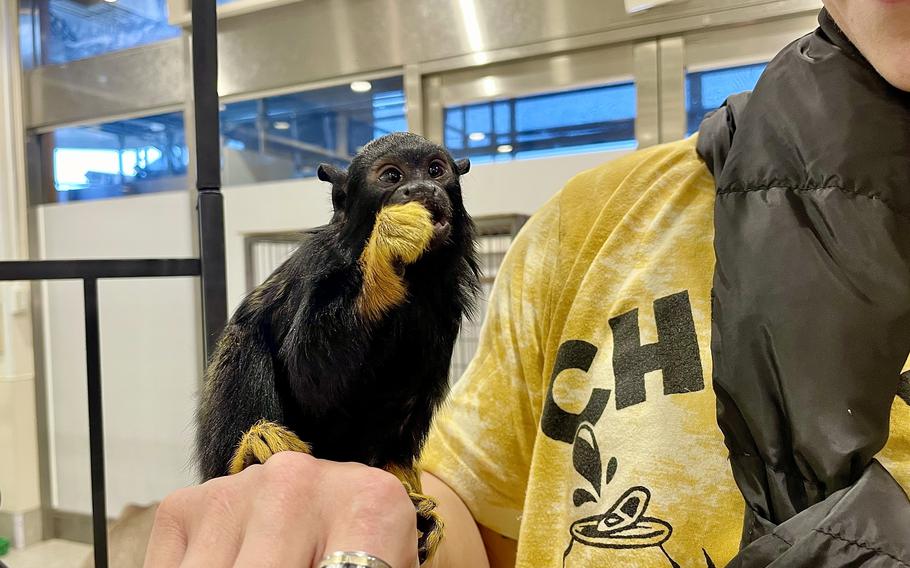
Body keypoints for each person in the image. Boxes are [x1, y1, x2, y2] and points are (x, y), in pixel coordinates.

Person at [144, 3, 910, 567]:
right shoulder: (592, 226)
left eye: (434, 176)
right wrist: (357, 518)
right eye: (393, 181)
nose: (420, 194)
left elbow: (411, 410)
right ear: (349, 202)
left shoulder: (456, 282)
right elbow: (470, 515)